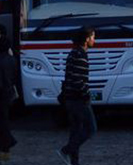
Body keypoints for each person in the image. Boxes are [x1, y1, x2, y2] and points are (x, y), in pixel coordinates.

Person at [58, 27, 97, 165]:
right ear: (86, 39)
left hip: (69, 99)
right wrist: (86, 94)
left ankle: (74, 162)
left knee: (75, 131)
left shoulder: (73, 53)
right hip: (78, 99)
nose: (94, 40)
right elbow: (77, 79)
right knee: (91, 129)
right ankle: (66, 150)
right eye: (93, 37)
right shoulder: (81, 55)